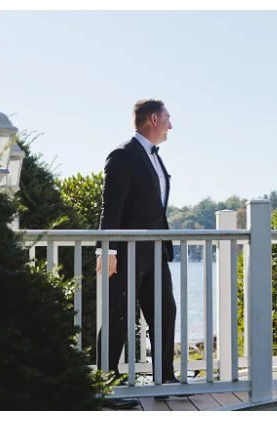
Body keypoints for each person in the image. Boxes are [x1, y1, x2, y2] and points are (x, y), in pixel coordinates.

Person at [95, 99, 179, 408]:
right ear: (154, 119)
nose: (171, 126)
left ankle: (165, 379)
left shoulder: (155, 158)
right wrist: (109, 250)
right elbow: (111, 208)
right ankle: (104, 387)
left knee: (164, 311)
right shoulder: (122, 156)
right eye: (168, 119)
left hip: (155, 251)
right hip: (127, 251)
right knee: (119, 315)